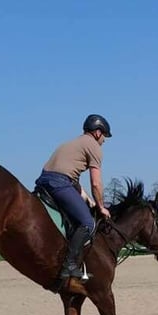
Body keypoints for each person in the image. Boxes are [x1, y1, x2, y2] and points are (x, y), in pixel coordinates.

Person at [35, 113, 112, 280]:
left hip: (46, 180)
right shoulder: (94, 147)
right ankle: (69, 265)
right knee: (87, 223)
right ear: (97, 132)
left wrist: (88, 200)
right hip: (59, 183)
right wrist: (101, 206)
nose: (104, 140)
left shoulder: (72, 143)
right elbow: (96, 184)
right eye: (104, 136)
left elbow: (74, 182)